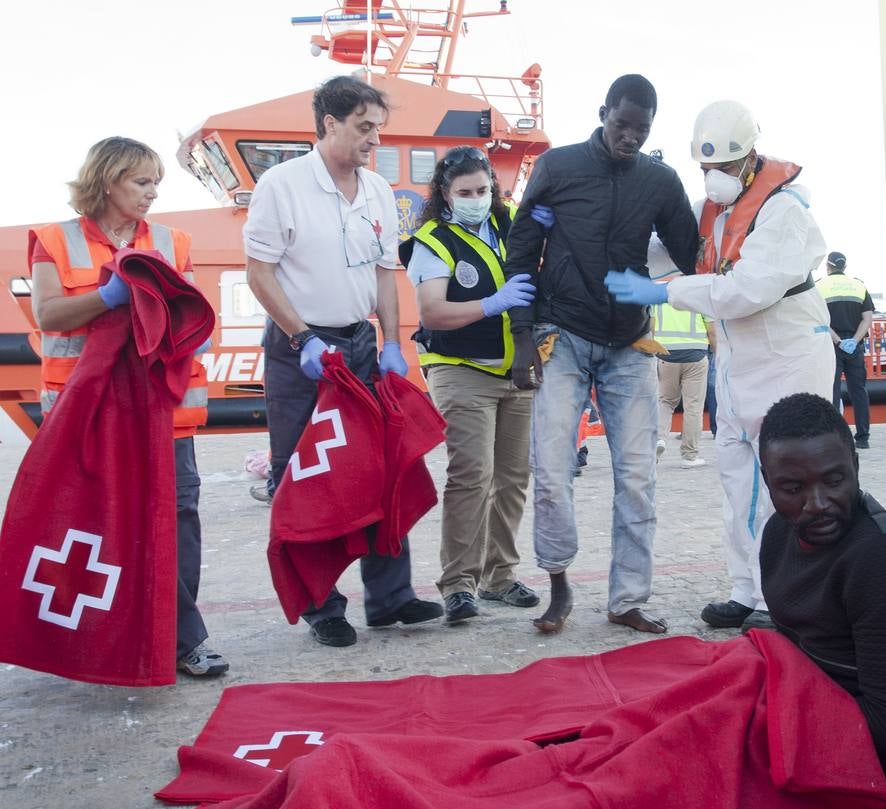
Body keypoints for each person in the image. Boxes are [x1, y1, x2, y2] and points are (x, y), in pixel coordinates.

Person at [606, 99, 835, 632]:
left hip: (787, 357)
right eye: (706, 169)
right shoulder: (718, 209)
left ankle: (793, 596)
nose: (714, 179)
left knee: (792, 482)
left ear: (751, 157)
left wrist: (663, 293)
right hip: (738, 364)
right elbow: (670, 248)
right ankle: (748, 589)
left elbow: (748, 290)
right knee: (740, 483)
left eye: (725, 168)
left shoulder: (783, 211)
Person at [244, 75, 441, 647]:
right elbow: (259, 274)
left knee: (384, 465)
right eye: (363, 127)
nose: (374, 139)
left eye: (377, 128)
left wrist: (390, 343)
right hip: (301, 351)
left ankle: (391, 598)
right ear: (329, 124)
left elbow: (385, 274)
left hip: (359, 345)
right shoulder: (281, 186)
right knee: (304, 473)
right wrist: (302, 337)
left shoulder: (377, 190)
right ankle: (321, 605)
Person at [503, 73, 700, 635]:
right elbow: (522, 250)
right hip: (560, 335)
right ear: (603, 112)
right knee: (552, 470)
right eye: (622, 124)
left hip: (630, 342)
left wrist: (720, 200)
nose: (630, 137)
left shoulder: (660, 181)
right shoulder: (557, 167)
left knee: (638, 475)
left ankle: (628, 598)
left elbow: (692, 251)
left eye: (642, 129)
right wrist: (521, 339)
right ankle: (559, 583)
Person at [27, 136, 227, 677]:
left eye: (155, 181)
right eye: (142, 181)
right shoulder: (55, 239)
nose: (153, 193)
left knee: (178, 518)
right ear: (108, 179)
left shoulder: (171, 241)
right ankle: (98, 636)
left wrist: (194, 332)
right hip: (86, 413)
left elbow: (193, 312)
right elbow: (50, 314)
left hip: (163, 411)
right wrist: (110, 297)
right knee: (94, 520)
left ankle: (183, 640)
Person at [757, 392, 886, 809]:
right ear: (767, 482)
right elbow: (792, 652)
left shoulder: (883, 561)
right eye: (793, 489)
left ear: (856, 469)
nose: (817, 503)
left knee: (693, 800)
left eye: (834, 480)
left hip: (871, 785)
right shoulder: (778, 536)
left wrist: (766, 726)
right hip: (807, 727)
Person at [398, 147, 538, 626]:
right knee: (471, 475)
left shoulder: (509, 223)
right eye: (465, 193)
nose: (476, 199)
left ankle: (500, 575)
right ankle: (459, 583)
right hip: (460, 369)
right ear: (445, 193)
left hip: (515, 371)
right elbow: (433, 311)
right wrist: (493, 303)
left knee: (513, 479)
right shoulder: (431, 241)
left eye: (483, 190)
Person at [818, 251, 874, 449]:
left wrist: (839, 341)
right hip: (855, 346)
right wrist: (854, 341)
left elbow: (820, 320)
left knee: (832, 390)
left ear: (828, 266)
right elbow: (867, 319)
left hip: (832, 345)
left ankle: (835, 438)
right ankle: (863, 438)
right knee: (859, 391)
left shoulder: (820, 286)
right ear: (844, 266)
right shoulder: (859, 286)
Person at [653, 304, 712, 468]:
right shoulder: (699, 295)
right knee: (693, 406)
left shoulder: (661, 296)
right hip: (696, 355)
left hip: (666, 354)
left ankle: (659, 438)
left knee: (665, 401)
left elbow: (650, 325)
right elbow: (712, 331)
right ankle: (689, 456)